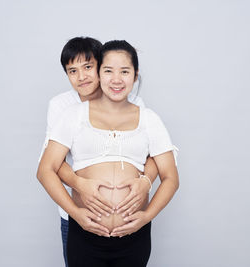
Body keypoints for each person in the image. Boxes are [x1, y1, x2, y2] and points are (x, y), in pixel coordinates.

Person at [37, 40, 179, 266]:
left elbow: (169, 174)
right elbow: (46, 168)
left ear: (135, 75)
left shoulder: (146, 115)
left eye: (124, 71)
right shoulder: (69, 112)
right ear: (101, 74)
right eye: (109, 71)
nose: (116, 78)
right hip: (83, 228)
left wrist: (146, 212)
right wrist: (76, 210)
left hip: (134, 235)